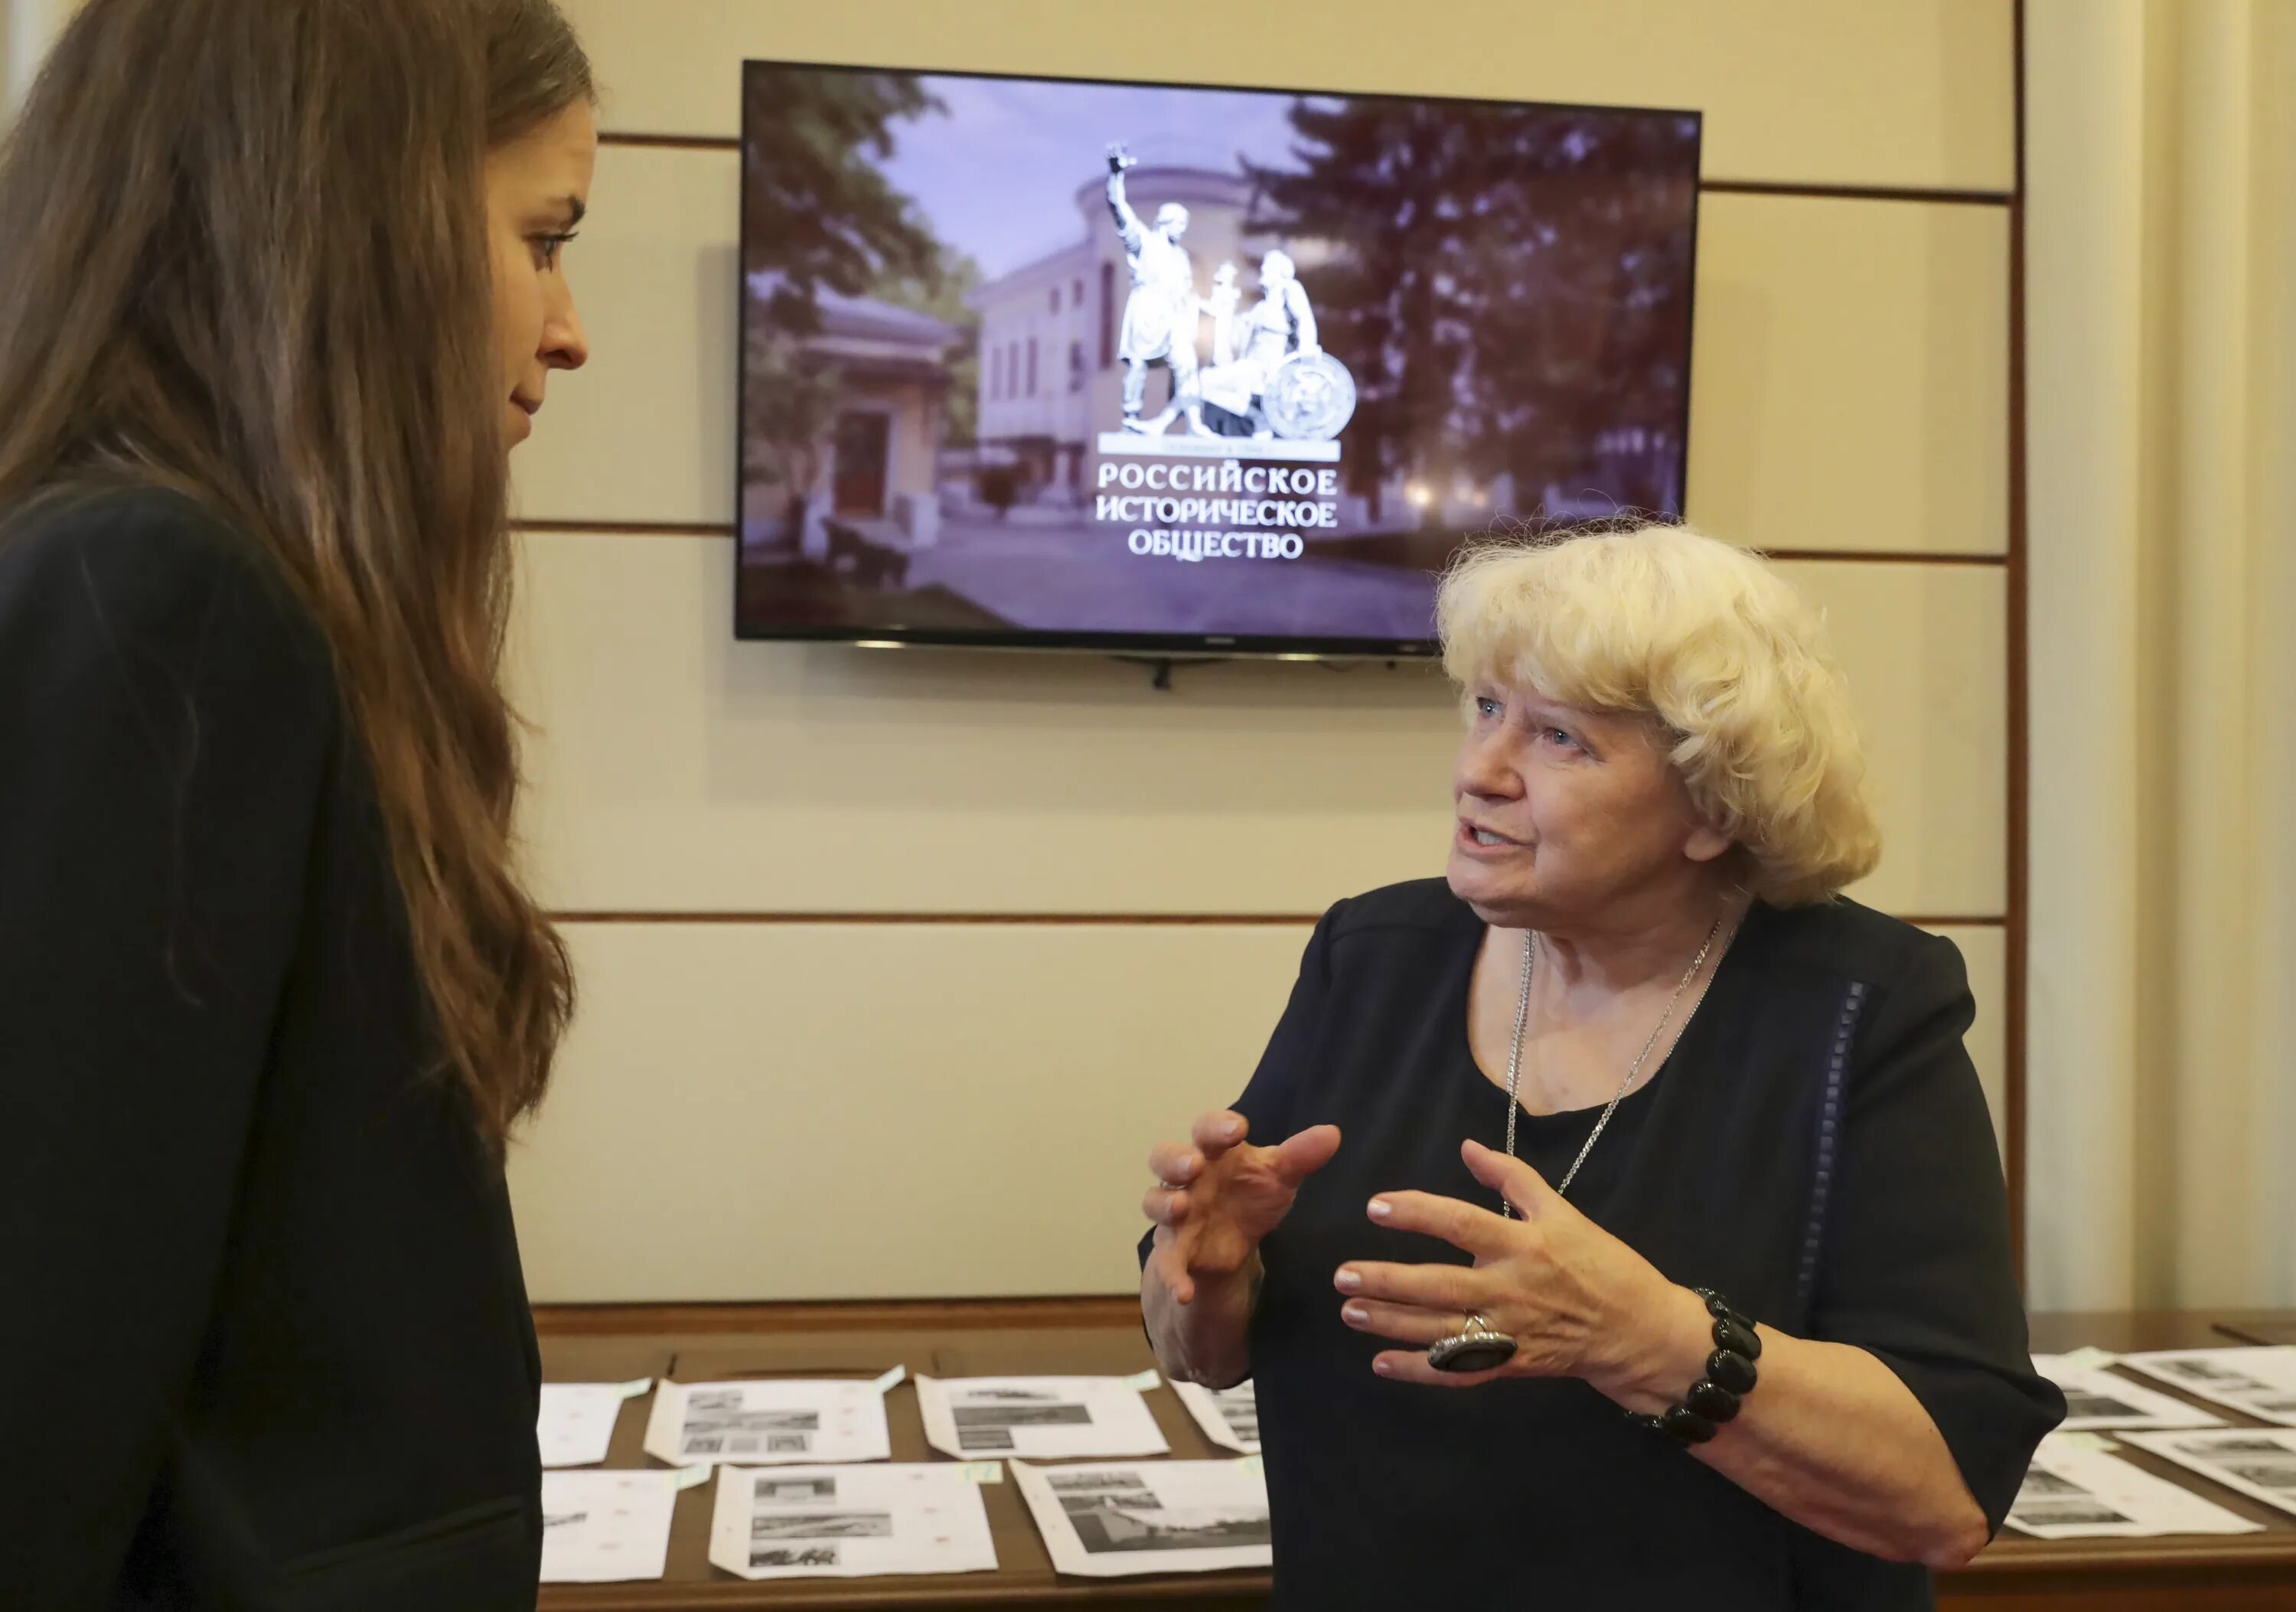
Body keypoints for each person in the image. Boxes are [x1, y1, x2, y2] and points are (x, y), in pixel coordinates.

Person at [1140, 524, 2063, 1610]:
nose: (1479, 770)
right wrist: (1206, 1283)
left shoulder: (1861, 1007)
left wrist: (1643, 1338)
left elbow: (1944, 1493)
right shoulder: (1372, 955)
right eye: (1486, 709)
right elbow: (1199, 1351)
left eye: (1559, 738)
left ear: (1713, 806)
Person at [0, 1, 595, 1606]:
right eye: (544, 239)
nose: (569, 328)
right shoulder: (163, 602)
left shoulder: (172, 585)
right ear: (356, 214)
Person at [1104, 143, 1200, 434]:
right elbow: (1118, 208)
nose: (1183, 228)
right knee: (1137, 365)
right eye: (1180, 222)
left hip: (1172, 316)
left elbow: (1186, 293)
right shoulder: (1143, 241)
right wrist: (1116, 175)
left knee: (1185, 362)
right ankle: (1130, 418)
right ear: (1165, 222)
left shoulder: (1182, 257)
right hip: (1146, 309)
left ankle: (1191, 420)